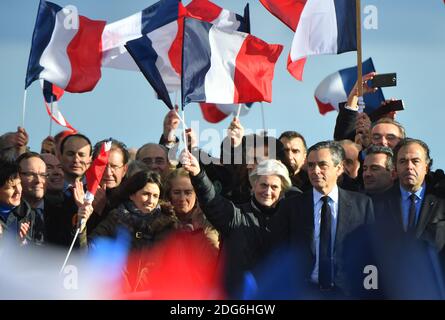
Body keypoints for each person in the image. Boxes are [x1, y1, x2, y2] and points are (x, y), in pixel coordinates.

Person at [269, 141, 374, 298]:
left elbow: (370, 253)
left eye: (322, 165)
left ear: (339, 168)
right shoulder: (291, 206)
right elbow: (279, 251)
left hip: (347, 293)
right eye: (311, 165)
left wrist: (369, 292)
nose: (315, 171)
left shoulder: (362, 204)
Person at [181, 149, 292, 297]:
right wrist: (198, 174)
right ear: (253, 186)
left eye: (274, 187)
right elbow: (212, 200)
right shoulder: (236, 215)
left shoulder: (289, 219)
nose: (268, 191)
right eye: (263, 185)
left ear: (282, 191)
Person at [79, 170, 178, 292]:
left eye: (155, 196)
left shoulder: (167, 225)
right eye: (146, 194)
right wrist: (81, 226)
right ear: (132, 195)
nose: (150, 201)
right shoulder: (115, 218)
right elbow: (88, 251)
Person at [164, 168, 219, 250]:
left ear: (196, 195)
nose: (182, 198)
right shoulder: (161, 220)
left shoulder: (206, 221)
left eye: (188, 192)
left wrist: (198, 230)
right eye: (177, 192)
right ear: (169, 194)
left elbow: (214, 253)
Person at [0, 159, 33, 245]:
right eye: (12, 187)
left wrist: (23, 242)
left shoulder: (28, 213)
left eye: (19, 184)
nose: (18, 191)